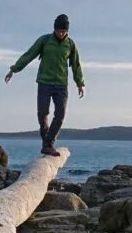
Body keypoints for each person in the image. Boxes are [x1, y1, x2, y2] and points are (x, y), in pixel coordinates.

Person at [5, 13, 85, 156]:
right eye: (59, 31)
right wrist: (14, 70)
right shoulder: (45, 40)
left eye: (64, 31)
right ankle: (46, 142)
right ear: (54, 29)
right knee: (42, 113)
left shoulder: (71, 44)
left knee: (60, 115)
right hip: (44, 82)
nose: (61, 33)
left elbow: (76, 65)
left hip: (61, 85)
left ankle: (48, 143)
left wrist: (80, 83)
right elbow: (29, 55)